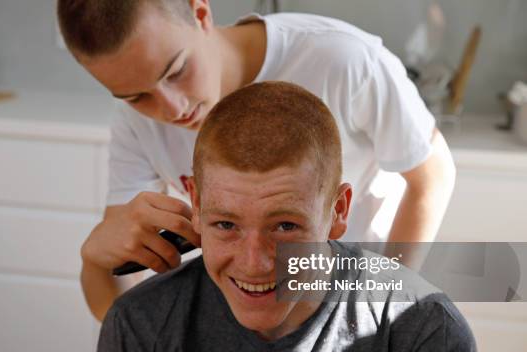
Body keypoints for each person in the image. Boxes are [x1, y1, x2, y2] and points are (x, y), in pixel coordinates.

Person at [57, 0, 457, 322]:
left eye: (177, 71)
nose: (172, 108)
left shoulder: (345, 61)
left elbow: (432, 175)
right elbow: (119, 309)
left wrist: (384, 299)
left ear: (200, 13)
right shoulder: (136, 123)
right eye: (136, 96)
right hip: (250, 311)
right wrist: (94, 260)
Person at [95, 81, 481, 352]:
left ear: (338, 211)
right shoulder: (140, 326)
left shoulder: (427, 336)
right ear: (195, 206)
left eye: (285, 226)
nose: (254, 263)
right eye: (226, 223)